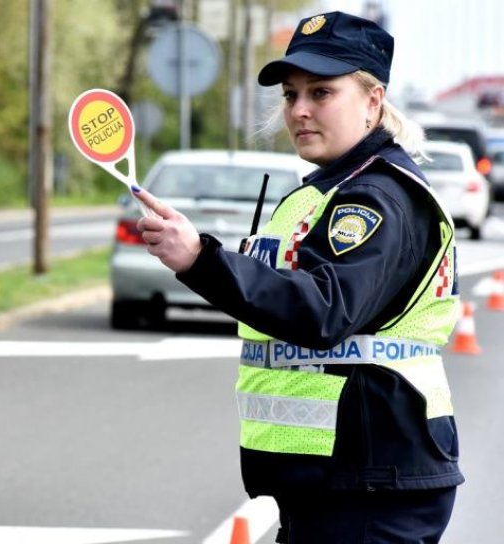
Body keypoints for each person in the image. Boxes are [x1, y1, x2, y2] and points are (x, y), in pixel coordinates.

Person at [131, 11, 463, 544]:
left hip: (370, 481)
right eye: (290, 95)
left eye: (321, 93)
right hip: (342, 479)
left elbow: (323, 309)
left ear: (374, 100)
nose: (300, 110)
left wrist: (201, 259)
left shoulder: (373, 198)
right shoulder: (331, 188)